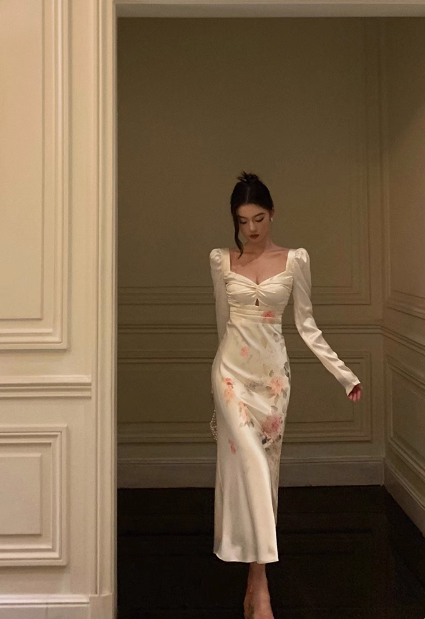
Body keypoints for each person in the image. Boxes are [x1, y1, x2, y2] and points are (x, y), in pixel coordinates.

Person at [209, 171, 362, 619]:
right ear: (234, 221)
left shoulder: (295, 260)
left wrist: (344, 375)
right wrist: (216, 394)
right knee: (252, 466)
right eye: (242, 221)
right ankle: (261, 592)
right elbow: (221, 323)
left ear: (272, 214)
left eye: (258, 218)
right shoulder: (221, 260)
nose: (251, 229)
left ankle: (255, 578)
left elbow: (307, 326)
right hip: (231, 376)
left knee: (266, 474)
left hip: (273, 380)